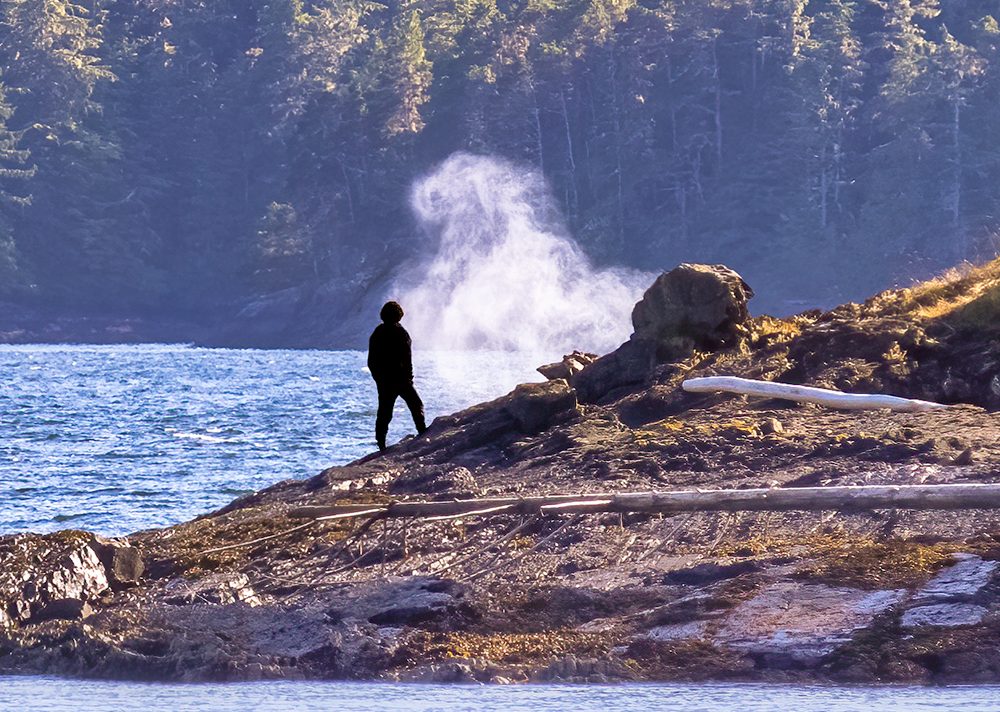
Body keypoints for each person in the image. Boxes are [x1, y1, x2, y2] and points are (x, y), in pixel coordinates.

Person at [367, 300, 427, 451]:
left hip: (385, 381)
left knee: (384, 413)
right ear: (398, 316)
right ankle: (422, 433)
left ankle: (381, 444)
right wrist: (409, 378)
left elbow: (371, 361)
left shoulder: (378, 332)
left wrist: (379, 379)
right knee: (416, 405)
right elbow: (407, 358)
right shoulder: (401, 332)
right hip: (401, 379)